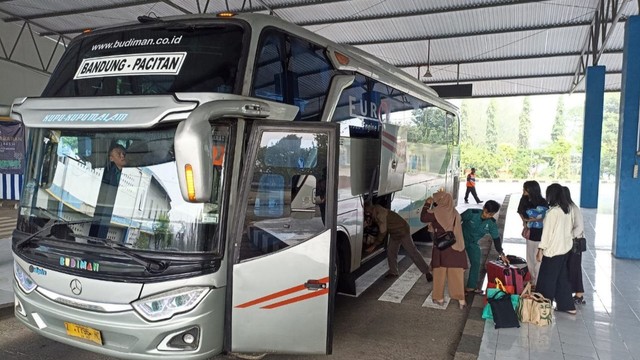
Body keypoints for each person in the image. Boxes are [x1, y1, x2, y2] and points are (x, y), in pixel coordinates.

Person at [364, 202, 433, 283]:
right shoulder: (376, 208)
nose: (365, 213)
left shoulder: (380, 214)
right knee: (391, 252)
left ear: (368, 210)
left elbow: (383, 231)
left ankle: (427, 272)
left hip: (403, 231)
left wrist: (374, 245)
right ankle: (393, 272)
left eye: (365, 211)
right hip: (394, 233)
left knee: (413, 252)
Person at [420, 190, 467, 309]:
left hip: (442, 247)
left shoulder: (437, 212)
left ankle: (439, 298)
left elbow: (423, 217)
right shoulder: (455, 212)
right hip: (456, 246)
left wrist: (427, 204)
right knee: (456, 274)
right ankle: (461, 300)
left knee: (439, 273)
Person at [535, 183, 576, 315]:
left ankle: (542, 309)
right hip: (564, 250)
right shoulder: (567, 210)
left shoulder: (552, 213)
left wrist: (541, 249)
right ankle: (567, 306)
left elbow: (547, 234)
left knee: (546, 280)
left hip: (552, 252)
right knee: (561, 279)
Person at [461, 200, 507, 294]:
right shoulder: (471, 213)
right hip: (460, 240)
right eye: (486, 212)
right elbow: (456, 219)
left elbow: (496, 239)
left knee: (476, 262)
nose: (487, 216)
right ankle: (456, 288)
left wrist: (501, 253)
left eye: (491, 214)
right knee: (459, 265)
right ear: (483, 208)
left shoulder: (491, 223)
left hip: (473, 243)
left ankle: (471, 287)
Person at [517, 180, 548, 286]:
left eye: (525, 188)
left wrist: (534, 220)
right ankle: (533, 278)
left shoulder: (543, 202)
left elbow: (546, 217)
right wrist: (525, 222)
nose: (523, 190)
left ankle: (537, 281)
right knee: (530, 257)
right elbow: (520, 211)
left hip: (541, 233)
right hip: (530, 233)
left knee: (538, 258)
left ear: (531, 189)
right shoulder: (524, 199)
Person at [563, 186, 586, 305]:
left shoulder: (574, 208)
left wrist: (568, 237)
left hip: (575, 243)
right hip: (570, 242)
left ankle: (579, 294)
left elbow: (579, 227)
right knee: (569, 267)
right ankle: (572, 292)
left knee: (574, 267)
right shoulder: (567, 208)